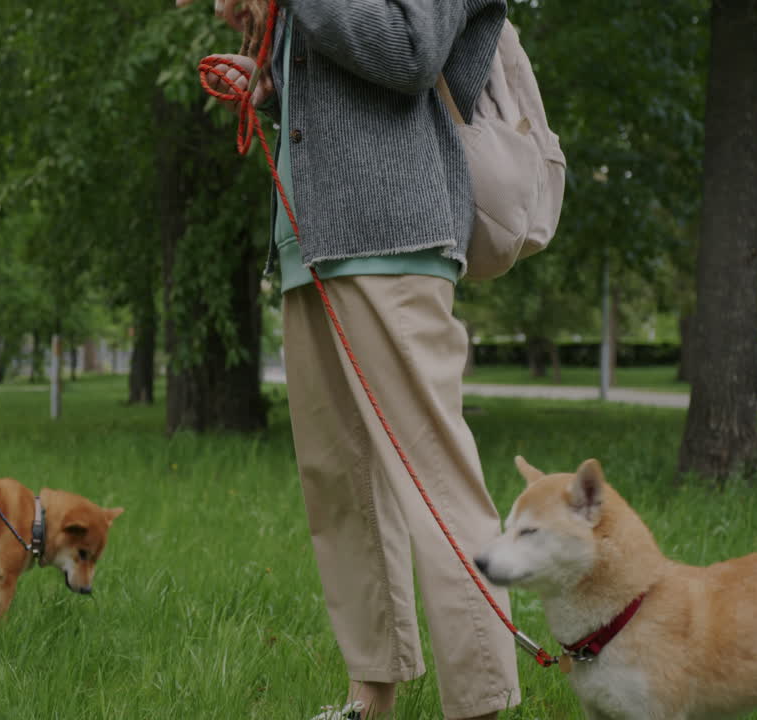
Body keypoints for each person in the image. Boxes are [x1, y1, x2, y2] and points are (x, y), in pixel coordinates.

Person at [190, 0, 521, 718]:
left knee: (435, 480)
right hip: (312, 237)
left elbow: (410, 52)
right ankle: (370, 696)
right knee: (340, 487)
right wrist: (270, 81)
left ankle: (483, 703)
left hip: (392, 230)